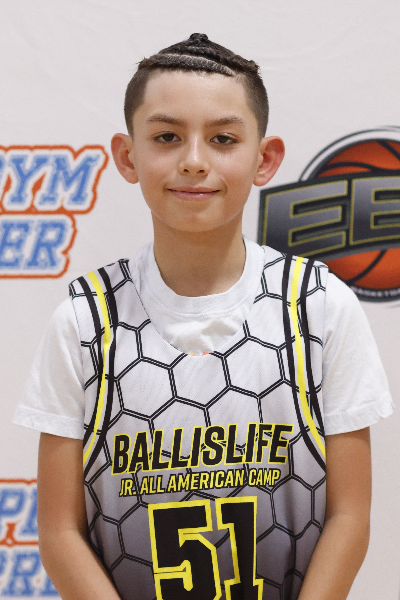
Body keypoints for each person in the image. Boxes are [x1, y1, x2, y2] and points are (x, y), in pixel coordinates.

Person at [13, 33, 393, 600]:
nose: (194, 161)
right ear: (128, 156)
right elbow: (59, 531)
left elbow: (350, 517)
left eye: (223, 139)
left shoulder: (319, 307)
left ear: (264, 158)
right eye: (167, 137)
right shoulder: (85, 320)